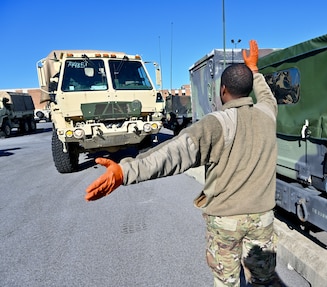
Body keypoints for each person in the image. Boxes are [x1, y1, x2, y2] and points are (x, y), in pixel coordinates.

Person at [85, 40, 282, 287]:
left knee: (227, 282)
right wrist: (254, 70)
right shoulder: (268, 114)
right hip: (262, 218)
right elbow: (266, 95)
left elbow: (172, 154)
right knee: (264, 280)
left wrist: (124, 171)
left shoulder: (215, 124)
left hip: (225, 221)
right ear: (249, 89)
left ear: (223, 92)